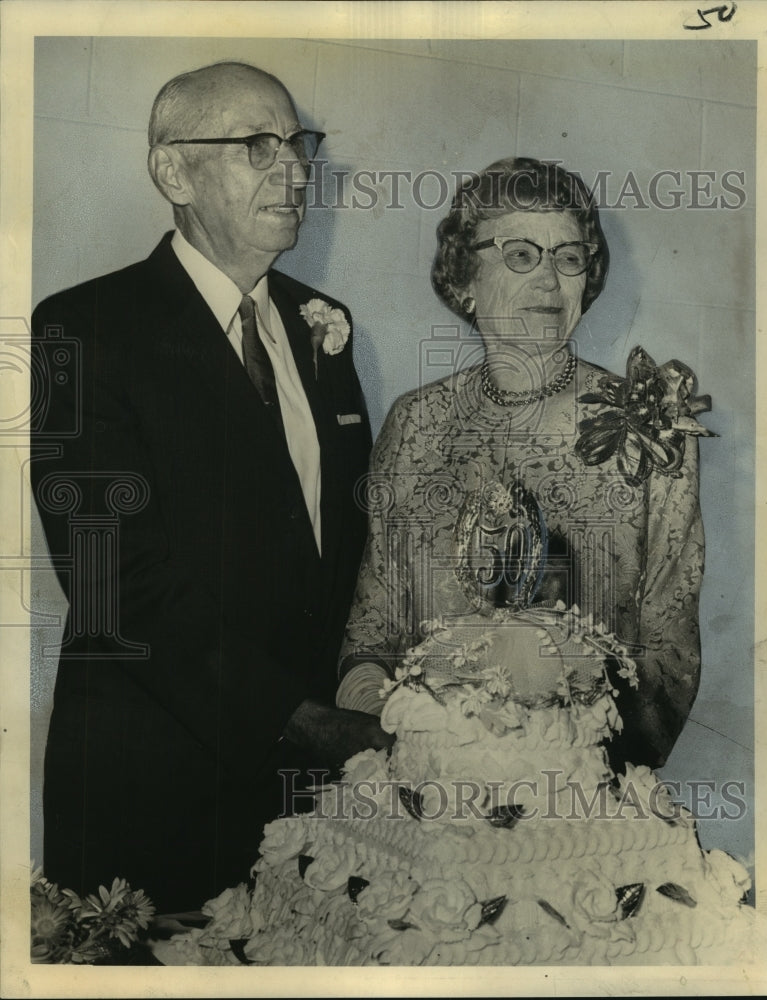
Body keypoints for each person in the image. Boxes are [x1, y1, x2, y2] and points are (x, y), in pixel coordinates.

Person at [30, 61, 391, 915]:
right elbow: (116, 584)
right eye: (258, 146)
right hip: (155, 788)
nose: (297, 171)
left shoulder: (321, 326)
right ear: (173, 171)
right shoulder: (82, 328)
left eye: (299, 146)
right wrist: (304, 719)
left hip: (314, 798)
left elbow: (347, 546)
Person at [336, 157, 714, 770]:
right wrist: (404, 747)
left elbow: (669, 650)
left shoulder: (651, 423)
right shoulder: (415, 423)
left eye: (568, 257)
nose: (548, 282)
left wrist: (556, 767)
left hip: (581, 802)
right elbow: (372, 626)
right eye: (520, 255)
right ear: (465, 276)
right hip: (424, 790)